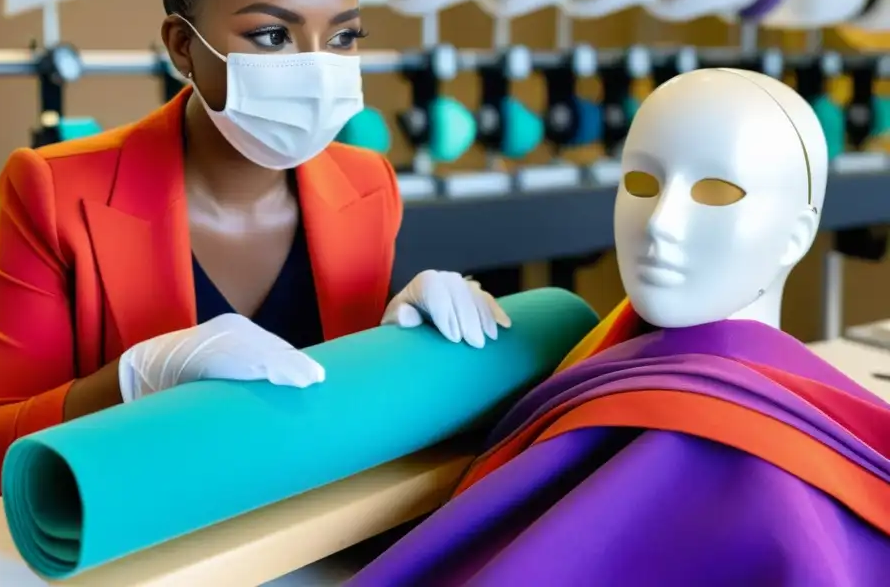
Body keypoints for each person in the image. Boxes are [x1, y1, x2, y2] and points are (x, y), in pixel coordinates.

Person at [0, 0, 509, 517]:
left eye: (342, 37)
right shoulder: (52, 192)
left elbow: (334, 418)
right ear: (183, 46)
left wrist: (407, 352)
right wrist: (134, 381)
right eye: (274, 36)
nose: (317, 67)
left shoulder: (368, 187)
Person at [349, 69, 890, 586]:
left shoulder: (761, 478)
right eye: (641, 181)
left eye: (717, 191)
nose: (660, 224)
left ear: (796, 234)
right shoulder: (597, 351)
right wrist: (402, 353)